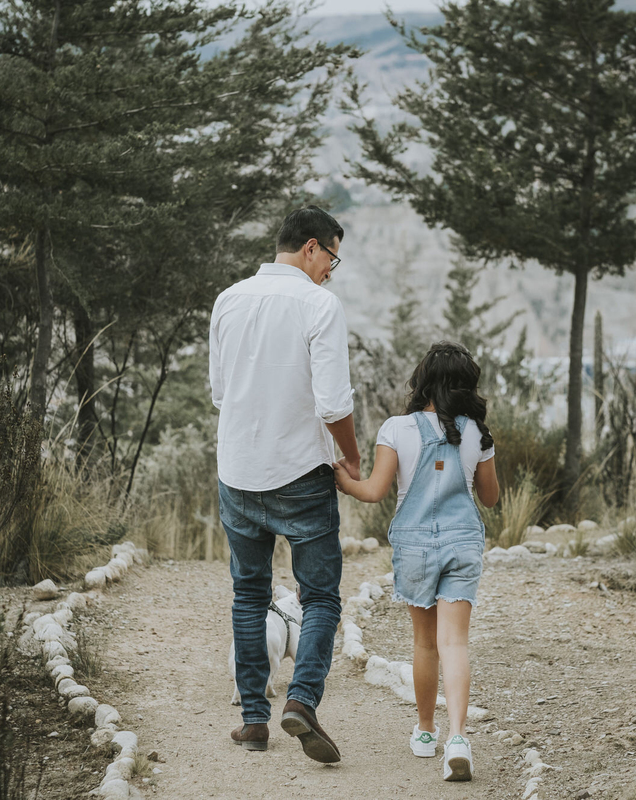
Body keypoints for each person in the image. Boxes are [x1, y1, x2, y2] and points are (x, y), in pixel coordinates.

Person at [209, 205, 360, 763]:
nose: (330, 271)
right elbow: (332, 402)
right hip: (301, 473)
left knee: (248, 595)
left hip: (239, 474)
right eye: (332, 258)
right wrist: (351, 455)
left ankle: (253, 721)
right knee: (319, 595)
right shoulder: (319, 305)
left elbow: (221, 392)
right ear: (312, 247)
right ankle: (300, 700)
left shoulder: (228, 299)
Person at [332, 341, 499, 782]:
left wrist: (343, 481)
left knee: (425, 643)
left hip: (415, 546)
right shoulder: (478, 433)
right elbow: (491, 497)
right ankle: (458, 738)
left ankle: (426, 731)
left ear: (423, 380)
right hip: (463, 542)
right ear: (465, 385)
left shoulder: (397, 428)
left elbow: (374, 491)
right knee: (455, 643)